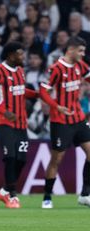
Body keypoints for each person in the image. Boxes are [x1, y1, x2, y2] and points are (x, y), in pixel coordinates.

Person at [0, 41, 38, 209]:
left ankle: (6, 189)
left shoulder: (21, 71)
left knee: (21, 159)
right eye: (20, 54)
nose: (23, 56)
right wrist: (3, 111)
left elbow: (21, 91)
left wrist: (37, 94)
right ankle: (12, 195)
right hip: (5, 122)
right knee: (11, 157)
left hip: (21, 123)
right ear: (10, 55)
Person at [40, 36, 90, 208]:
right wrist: (56, 106)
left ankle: (85, 194)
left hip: (78, 118)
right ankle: (47, 196)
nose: (83, 55)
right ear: (71, 49)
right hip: (61, 121)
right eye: (81, 51)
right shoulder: (56, 68)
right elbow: (43, 92)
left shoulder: (81, 66)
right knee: (57, 159)